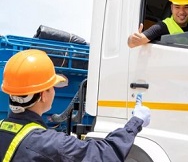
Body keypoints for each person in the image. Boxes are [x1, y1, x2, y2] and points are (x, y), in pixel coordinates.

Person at [0, 49, 151, 162]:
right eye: (52, 87)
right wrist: (136, 121)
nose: (54, 91)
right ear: (43, 95)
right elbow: (104, 155)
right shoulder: (51, 143)